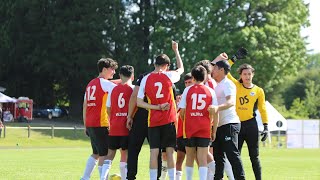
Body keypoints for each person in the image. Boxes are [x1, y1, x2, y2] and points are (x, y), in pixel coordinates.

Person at [215, 53, 268, 180]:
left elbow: (262, 108)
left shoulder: (259, 90)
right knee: (233, 155)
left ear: (253, 75)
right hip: (236, 125)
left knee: (254, 156)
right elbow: (225, 71)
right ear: (241, 75)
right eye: (244, 74)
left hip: (251, 125)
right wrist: (233, 59)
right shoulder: (235, 85)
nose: (247, 76)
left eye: (249, 74)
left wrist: (266, 126)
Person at [137, 40, 184, 180]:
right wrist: (176, 50)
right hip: (168, 119)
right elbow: (181, 69)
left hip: (153, 121)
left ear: (154, 64)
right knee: (170, 152)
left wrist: (156, 107)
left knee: (154, 153)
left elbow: (139, 102)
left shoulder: (145, 79)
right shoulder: (169, 75)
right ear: (167, 66)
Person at [179, 65, 219, 180]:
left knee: (190, 157)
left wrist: (187, 121)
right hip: (204, 127)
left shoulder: (187, 90)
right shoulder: (210, 91)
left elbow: (182, 111)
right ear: (205, 76)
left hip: (190, 128)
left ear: (193, 77)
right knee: (202, 158)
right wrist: (214, 130)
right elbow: (216, 112)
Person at [81, 58, 118, 180]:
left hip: (91, 123)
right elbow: (119, 88)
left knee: (96, 153)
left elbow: (85, 105)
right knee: (105, 154)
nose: (113, 72)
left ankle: (85, 177)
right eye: (112, 69)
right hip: (101, 123)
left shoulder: (90, 83)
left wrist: (85, 124)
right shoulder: (104, 83)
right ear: (104, 69)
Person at [209, 60, 245, 180]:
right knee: (218, 158)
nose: (212, 71)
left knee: (232, 155)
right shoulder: (217, 85)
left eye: (214, 69)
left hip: (230, 124)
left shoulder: (228, 83)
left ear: (221, 70)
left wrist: (217, 108)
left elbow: (230, 102)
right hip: (219, 126)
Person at [101, 65, 135, 180]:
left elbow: (108, 108)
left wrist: (114, 118)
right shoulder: (132, 90)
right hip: (126, 127)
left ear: (120, 75)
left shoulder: (114, 89)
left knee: (110, 154)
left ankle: (102, 177)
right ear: (133, 76)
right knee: (124, 154)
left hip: (114, 126)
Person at [175, 73, 194, 180]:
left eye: (189, 82)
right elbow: (176, 113)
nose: (187, 85)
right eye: (186, 83)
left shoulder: (198, 94)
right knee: (179, 160)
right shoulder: (181, 97)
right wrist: (176, 104)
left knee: (198, 159)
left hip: (193, 133)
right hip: (181, 133)